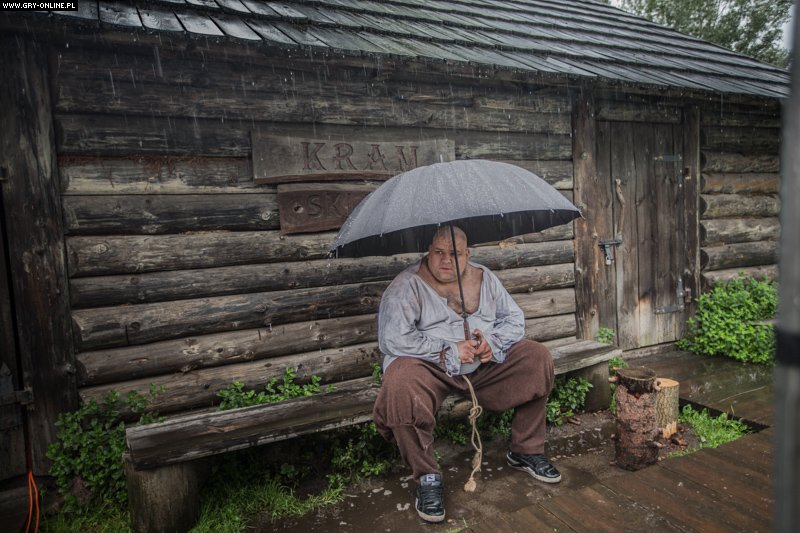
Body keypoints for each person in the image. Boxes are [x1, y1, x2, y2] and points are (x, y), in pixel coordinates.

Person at [372, 225, 561, 523]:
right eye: (439, 252)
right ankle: (427, 477)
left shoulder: (485, 278)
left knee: (536, 358)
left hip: (480, 367)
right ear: (428, 251)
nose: (446, 260)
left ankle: (526, 450)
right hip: (429, 368)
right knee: (400, 383)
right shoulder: (407, 286)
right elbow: (393, 339)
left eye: (455, 253)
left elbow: (513, 319)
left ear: (467, 254)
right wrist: (448, 349)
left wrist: (491, 343)